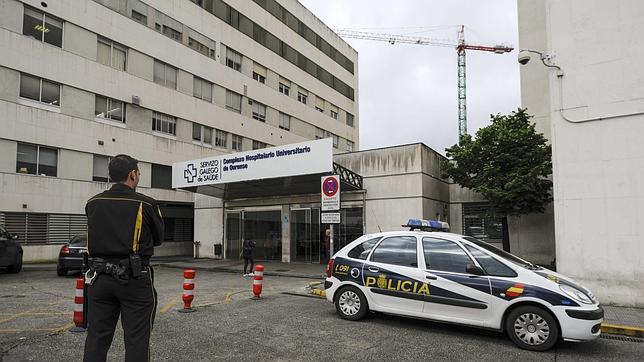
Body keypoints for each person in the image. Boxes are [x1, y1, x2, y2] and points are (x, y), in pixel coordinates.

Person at [83, 154, 164, 362]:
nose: (138, 177)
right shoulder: (146, 204)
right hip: (134, 278)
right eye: (138, 173)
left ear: (110, 176)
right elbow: (158, 239)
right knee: (137, 339)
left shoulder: (93, 203)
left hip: (99, 279)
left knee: (96, 338)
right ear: (132, 175)